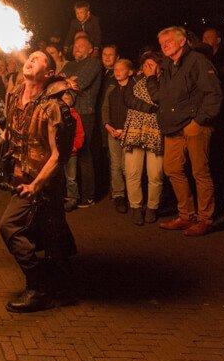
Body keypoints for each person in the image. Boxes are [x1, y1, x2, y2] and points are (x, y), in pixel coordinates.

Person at [0, 50, 78, 313]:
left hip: (41, 183)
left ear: (48, 73)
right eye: (30, 56)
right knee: (52, 231)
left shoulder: (53, 106)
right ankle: (64, 287)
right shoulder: (15, 94)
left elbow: (58, 155)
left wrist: (36, 186)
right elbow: (14, 128)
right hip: (24, 177)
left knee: (10, 226)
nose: (31, 59)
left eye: (39, 59)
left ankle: (38, 287)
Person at [156, 26, 223, 237]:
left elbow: (214, 93)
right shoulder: (167, 65)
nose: (164, 45)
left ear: (182, 41)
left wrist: (199, 120)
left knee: (200, 172)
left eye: (169, 41)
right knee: (172, 169)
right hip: (173, 125)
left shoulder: (197, 61)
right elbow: (163, 96)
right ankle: (186, 215)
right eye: (162, 43)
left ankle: (205, 219)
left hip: (194, 125)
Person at [60, 34, 102, 211]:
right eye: (75, 46)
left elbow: (81, 83)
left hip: (84, 113)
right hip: (67, 112)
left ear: (90, 50)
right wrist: (67, 81)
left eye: (81, 46)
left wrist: (66, 81)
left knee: (83, 153)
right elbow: (59, 81)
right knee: (67, 153)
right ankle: (71, 194)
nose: (76, 48)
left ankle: (88, 195)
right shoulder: (69, 64)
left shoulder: (93, 63)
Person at [122, 53, 164, 225]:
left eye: (152, 64)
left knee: (155, 174)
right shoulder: (135, 82)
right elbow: (127, 99)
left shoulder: (165, 82)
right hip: (134, 130)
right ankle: (136, 207)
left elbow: (159, 100)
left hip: (156, 131)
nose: (148, 67)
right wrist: (150, 109)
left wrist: (152, 77)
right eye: (146, 64)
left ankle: (152, 207)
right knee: (133, 172)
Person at [100, 58, 134, 214]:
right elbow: (105, 109)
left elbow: (135, 112)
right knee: (116, 165)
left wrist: (126, 130)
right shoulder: (111, 89)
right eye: (115, 69)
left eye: (121, 69)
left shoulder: (135, 89)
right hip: (113, 132)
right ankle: (119, 195)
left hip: (129, 133)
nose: (118, 72)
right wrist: (108, 126)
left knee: (129, 167)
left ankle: (132, 195)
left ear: (130, 71)